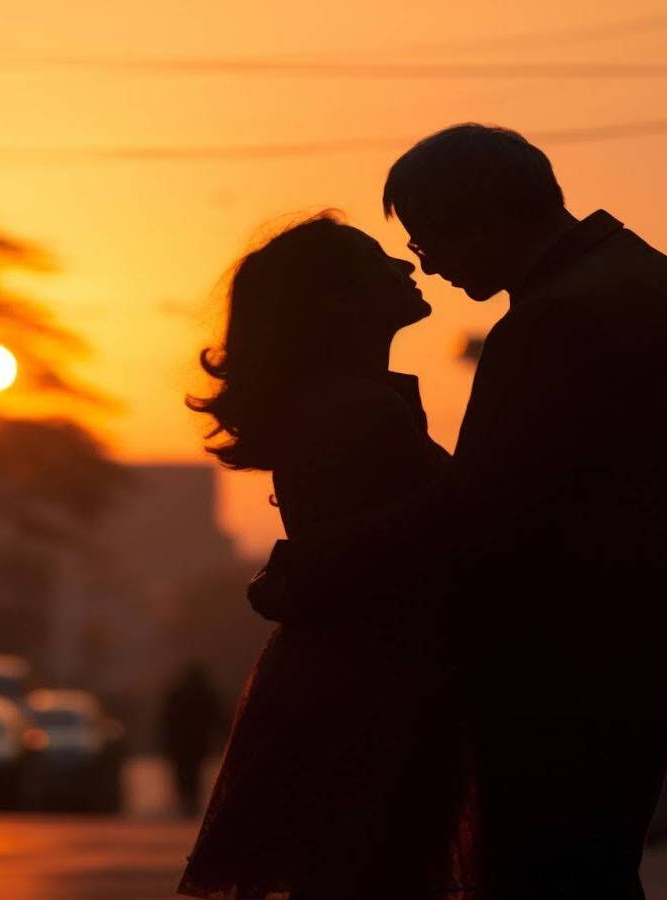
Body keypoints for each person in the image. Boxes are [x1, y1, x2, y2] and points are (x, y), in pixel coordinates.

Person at [250, 124, 667, 899]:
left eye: (429, 240)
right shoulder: (640, 281)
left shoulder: (560, 317)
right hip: (634, 648)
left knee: (549, 876)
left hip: (577, 658)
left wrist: (312, 566)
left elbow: (482, 507)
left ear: (481, 216)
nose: (428, 264)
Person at [179, 215, 476, 899]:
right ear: (337, 300)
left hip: (351, 679)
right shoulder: (359, 410)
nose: (405, 266)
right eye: (377, 260)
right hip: (373, 690)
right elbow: (411, 541)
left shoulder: (342, 404)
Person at [158, 662, 227, 817]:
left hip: (180, 742)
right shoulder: (205, 694)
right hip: (197, 741)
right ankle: (191, 800)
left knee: (183, 770)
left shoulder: (177, 694)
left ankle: (186, 799)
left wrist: (165, 740)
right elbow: (217, 717)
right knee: (194, 771)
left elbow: (166, 720)